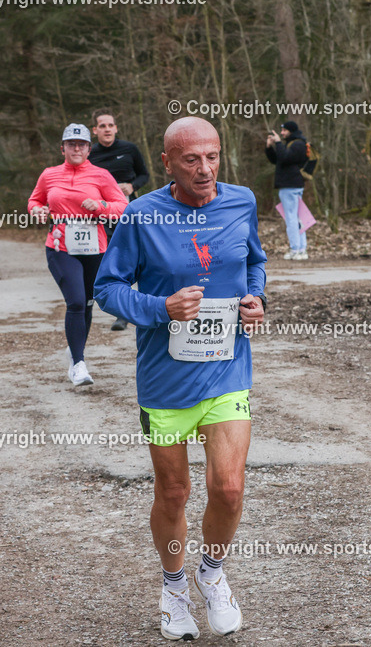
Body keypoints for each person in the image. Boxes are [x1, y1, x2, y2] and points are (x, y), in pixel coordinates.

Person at [95, 116, 266, 640]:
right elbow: (107, 287)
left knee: (229, 489)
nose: (205, 168)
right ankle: (173, 587)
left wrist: (257, 299)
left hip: (227, 369)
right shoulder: (142, 215)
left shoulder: (242, 202)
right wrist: (160, 307)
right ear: (167, 162)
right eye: (191, 159)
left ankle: (211, 575)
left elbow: (255, 263)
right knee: (173, 492)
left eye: (212, 156)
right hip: (165, 380)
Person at [27, 123, 127, 384]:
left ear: (88, 148)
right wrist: (36, 211)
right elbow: (35, 200)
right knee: (75, 301)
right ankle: (80, 364)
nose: (76, 148)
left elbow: (122, 206)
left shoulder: (101, 176)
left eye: (81, 144)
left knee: (87, 303)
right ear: (63, 148)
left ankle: (75, 354)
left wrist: (101, 205)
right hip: (61, 246)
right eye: (71, 144)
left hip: (95, 248)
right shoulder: (49, 175)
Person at [88, 108, 150, 331]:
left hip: (127, 209)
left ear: (116, 128)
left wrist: (132, 186)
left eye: (110, 125)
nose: (107, 129)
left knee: (129, 256)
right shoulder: (90, 153)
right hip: (99, 211)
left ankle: (124, 312)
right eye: (102, 126)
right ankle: (106, 301)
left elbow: (145, 174)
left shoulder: (129, 149)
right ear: (95, 130)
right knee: (106, 257)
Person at [265, 120, 309, 260]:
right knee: (297, 218)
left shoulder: (298, 144)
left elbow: (285, 157)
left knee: (291, 219)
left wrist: (278, 143)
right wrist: (270, 147)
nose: (282, 133)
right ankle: (301, 249)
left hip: (290, 186)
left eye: (284, 131)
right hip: (291, 185)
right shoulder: (291, 144)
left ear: (291, 131)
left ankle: (296, 249)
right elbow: (278, 160)